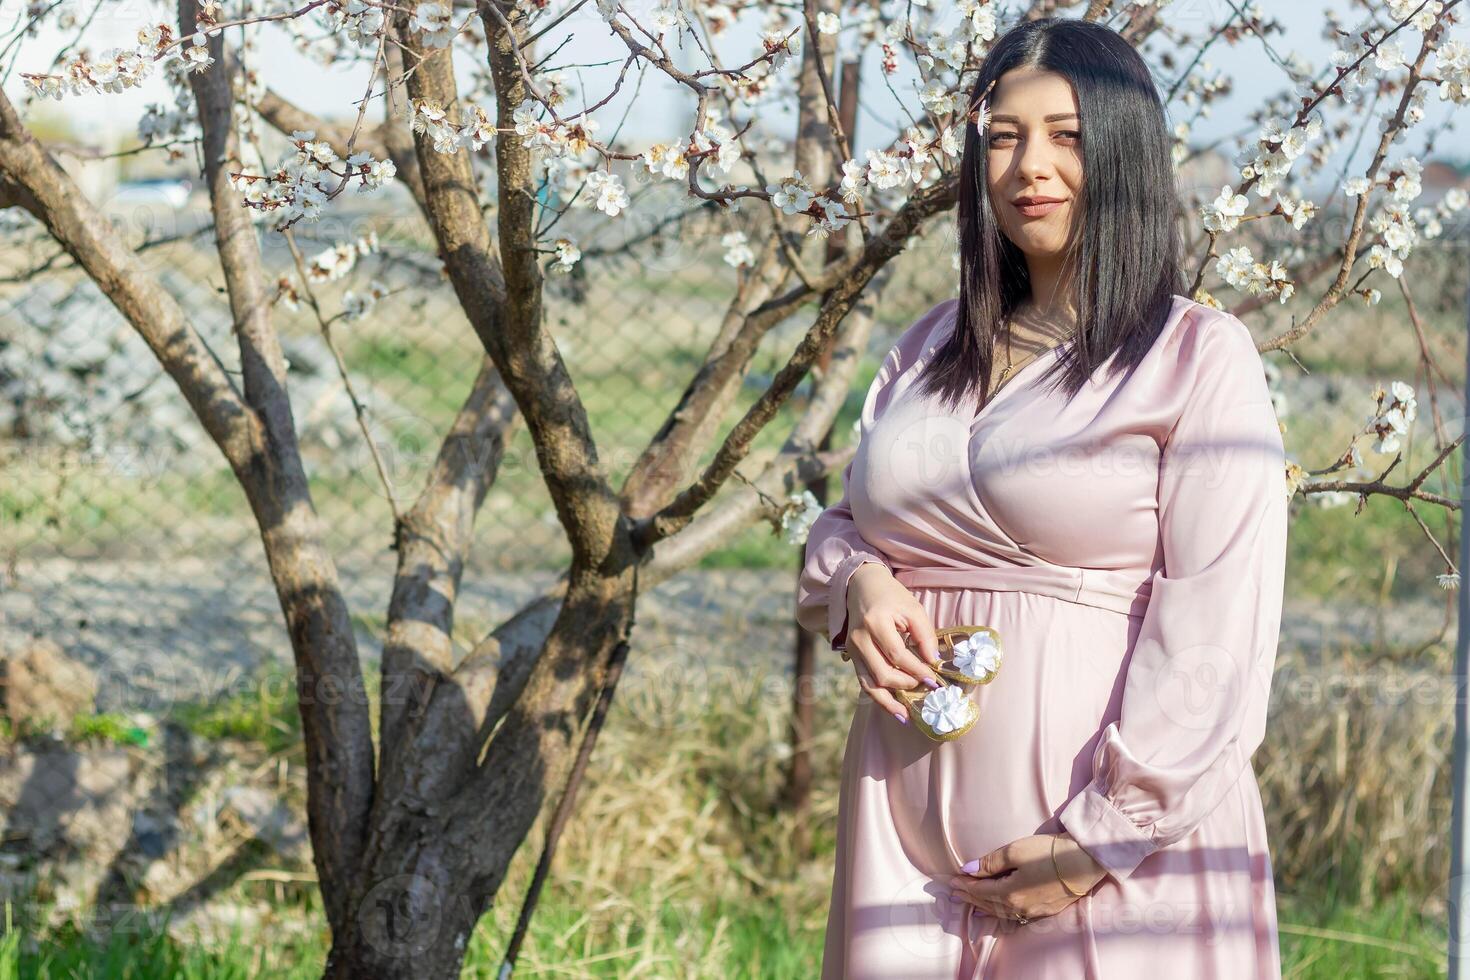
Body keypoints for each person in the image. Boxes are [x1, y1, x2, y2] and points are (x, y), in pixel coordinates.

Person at [796, 17, 1290, 980]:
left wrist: (1102, 834)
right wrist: (853, 580)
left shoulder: (1195, 358)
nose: (1031, 165)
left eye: (1066, 135)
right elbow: (848, 523)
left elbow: (1219, 625)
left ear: (1122, 150)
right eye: (1006, 133)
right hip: (901, 852)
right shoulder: (926, 349)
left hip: (1109, 861)